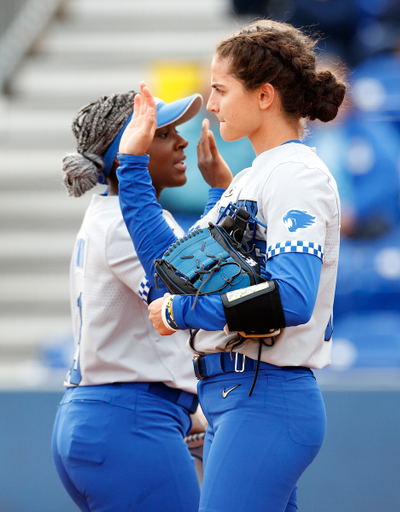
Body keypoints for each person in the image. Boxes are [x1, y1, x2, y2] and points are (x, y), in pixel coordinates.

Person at [117, 19, 346, 512]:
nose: (212, 103)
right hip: (237, 397)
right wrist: (132, 168)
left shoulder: (295, 174)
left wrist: (183, 312)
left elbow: (291, 299)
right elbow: (169, 272)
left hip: (267, 397)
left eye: (220, 89)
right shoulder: (250, 175)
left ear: (264, 96)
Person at [51, 90, 230, 512]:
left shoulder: (110, 214)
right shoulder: (121, 223)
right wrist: (219, 194)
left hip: (111, 417)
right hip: (128, 422)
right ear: (125, 154)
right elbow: (191, 293)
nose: (182, 141)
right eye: (163, 133)